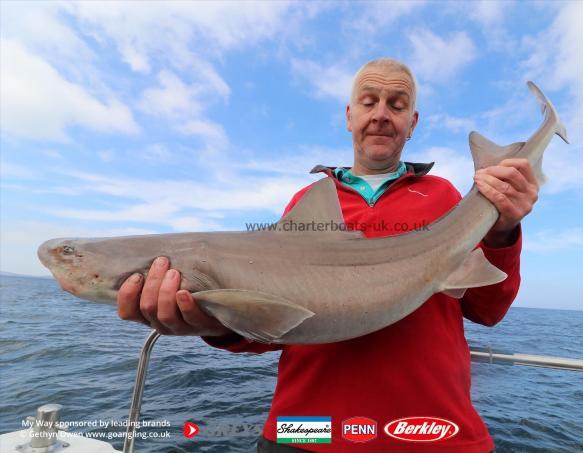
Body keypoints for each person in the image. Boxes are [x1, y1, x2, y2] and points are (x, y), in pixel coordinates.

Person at [117, 58, 539, 452]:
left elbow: (487, 310)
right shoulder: (306, 202)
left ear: (412, 123)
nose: (380, 114)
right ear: (349, 116)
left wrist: (502, 229)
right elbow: (273, 329)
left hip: (430, 430)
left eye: (397, 105)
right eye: (368, 102)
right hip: (305, 429)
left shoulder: (445, 198)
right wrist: (211, 321)